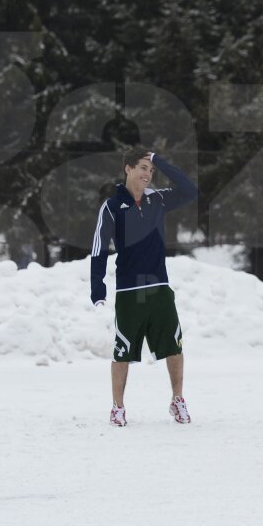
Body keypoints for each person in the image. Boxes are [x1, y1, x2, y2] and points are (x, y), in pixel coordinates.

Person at [90, 148, 198, 427]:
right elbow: (99, 249)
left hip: (160, 287)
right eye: (142, 167)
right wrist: (97, 289)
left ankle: (177, 400)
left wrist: (159, 159)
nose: (147, 174)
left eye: (151, 169)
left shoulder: (158, 199)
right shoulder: (112, 206)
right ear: (128, 169)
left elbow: (190, 190)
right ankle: (118, 407)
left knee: (174, 347)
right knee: (122, 351)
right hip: (129, 291)